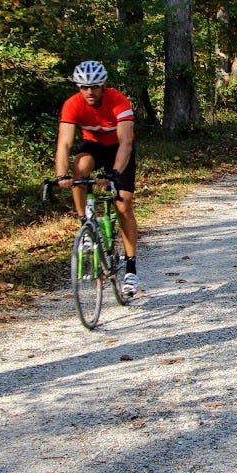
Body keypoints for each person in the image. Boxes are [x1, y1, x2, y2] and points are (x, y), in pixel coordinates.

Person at [54, 60, 140, 297]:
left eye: (94, 87)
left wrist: (113, 173)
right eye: (84, 87)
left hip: (119, 149)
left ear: (103, 86)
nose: (89, 92)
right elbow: (64, 143)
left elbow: (126, 143)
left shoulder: (119, 101)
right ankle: (85, 223)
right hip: (93, 145)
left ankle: (131, 267)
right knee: (80, 168)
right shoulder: (72, 105)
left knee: (123, 204)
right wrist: (61, 175)